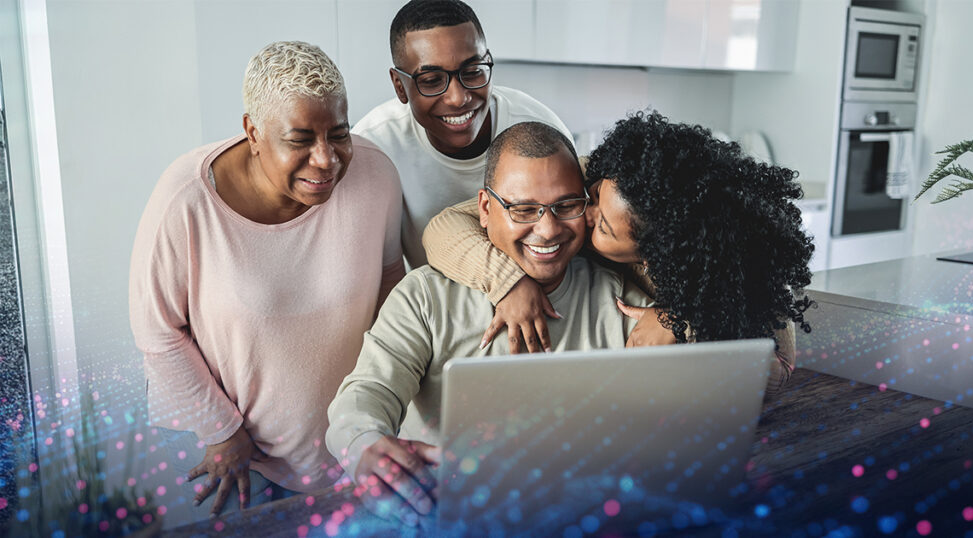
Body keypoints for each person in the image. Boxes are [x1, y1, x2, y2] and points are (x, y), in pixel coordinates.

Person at [325, 122, 651, 528]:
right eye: (523, 210)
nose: (548, 230)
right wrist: (363, 443)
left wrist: (679, 322)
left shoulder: (616, 294)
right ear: (484, 209)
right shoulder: (426, 297)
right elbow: (367, 392)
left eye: (566, 206)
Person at [128, 41, 404, 520]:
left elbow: (389, 286)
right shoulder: (186, 200)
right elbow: (157, 333)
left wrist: (387, 407)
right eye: (300, 140)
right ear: (252, 132)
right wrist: (219, 430)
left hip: (357, 448)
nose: (326, 159)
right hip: (243, 463)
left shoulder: (375, 173)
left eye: (339, 134)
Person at [422, 111, 815, 393]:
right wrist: (509, 283)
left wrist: (680, 324)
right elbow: (446, 226)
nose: (580, 215)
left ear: (649, 254)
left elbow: (777, 368)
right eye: (590, 198)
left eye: (602, 225)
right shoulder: (612, 177)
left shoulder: (729, 271)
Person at [352, 0, 573, 267]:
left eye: (472, 72)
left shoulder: (541, 131)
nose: (458, 98)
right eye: (432, 81)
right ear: (400, 86)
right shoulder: (373, 147)